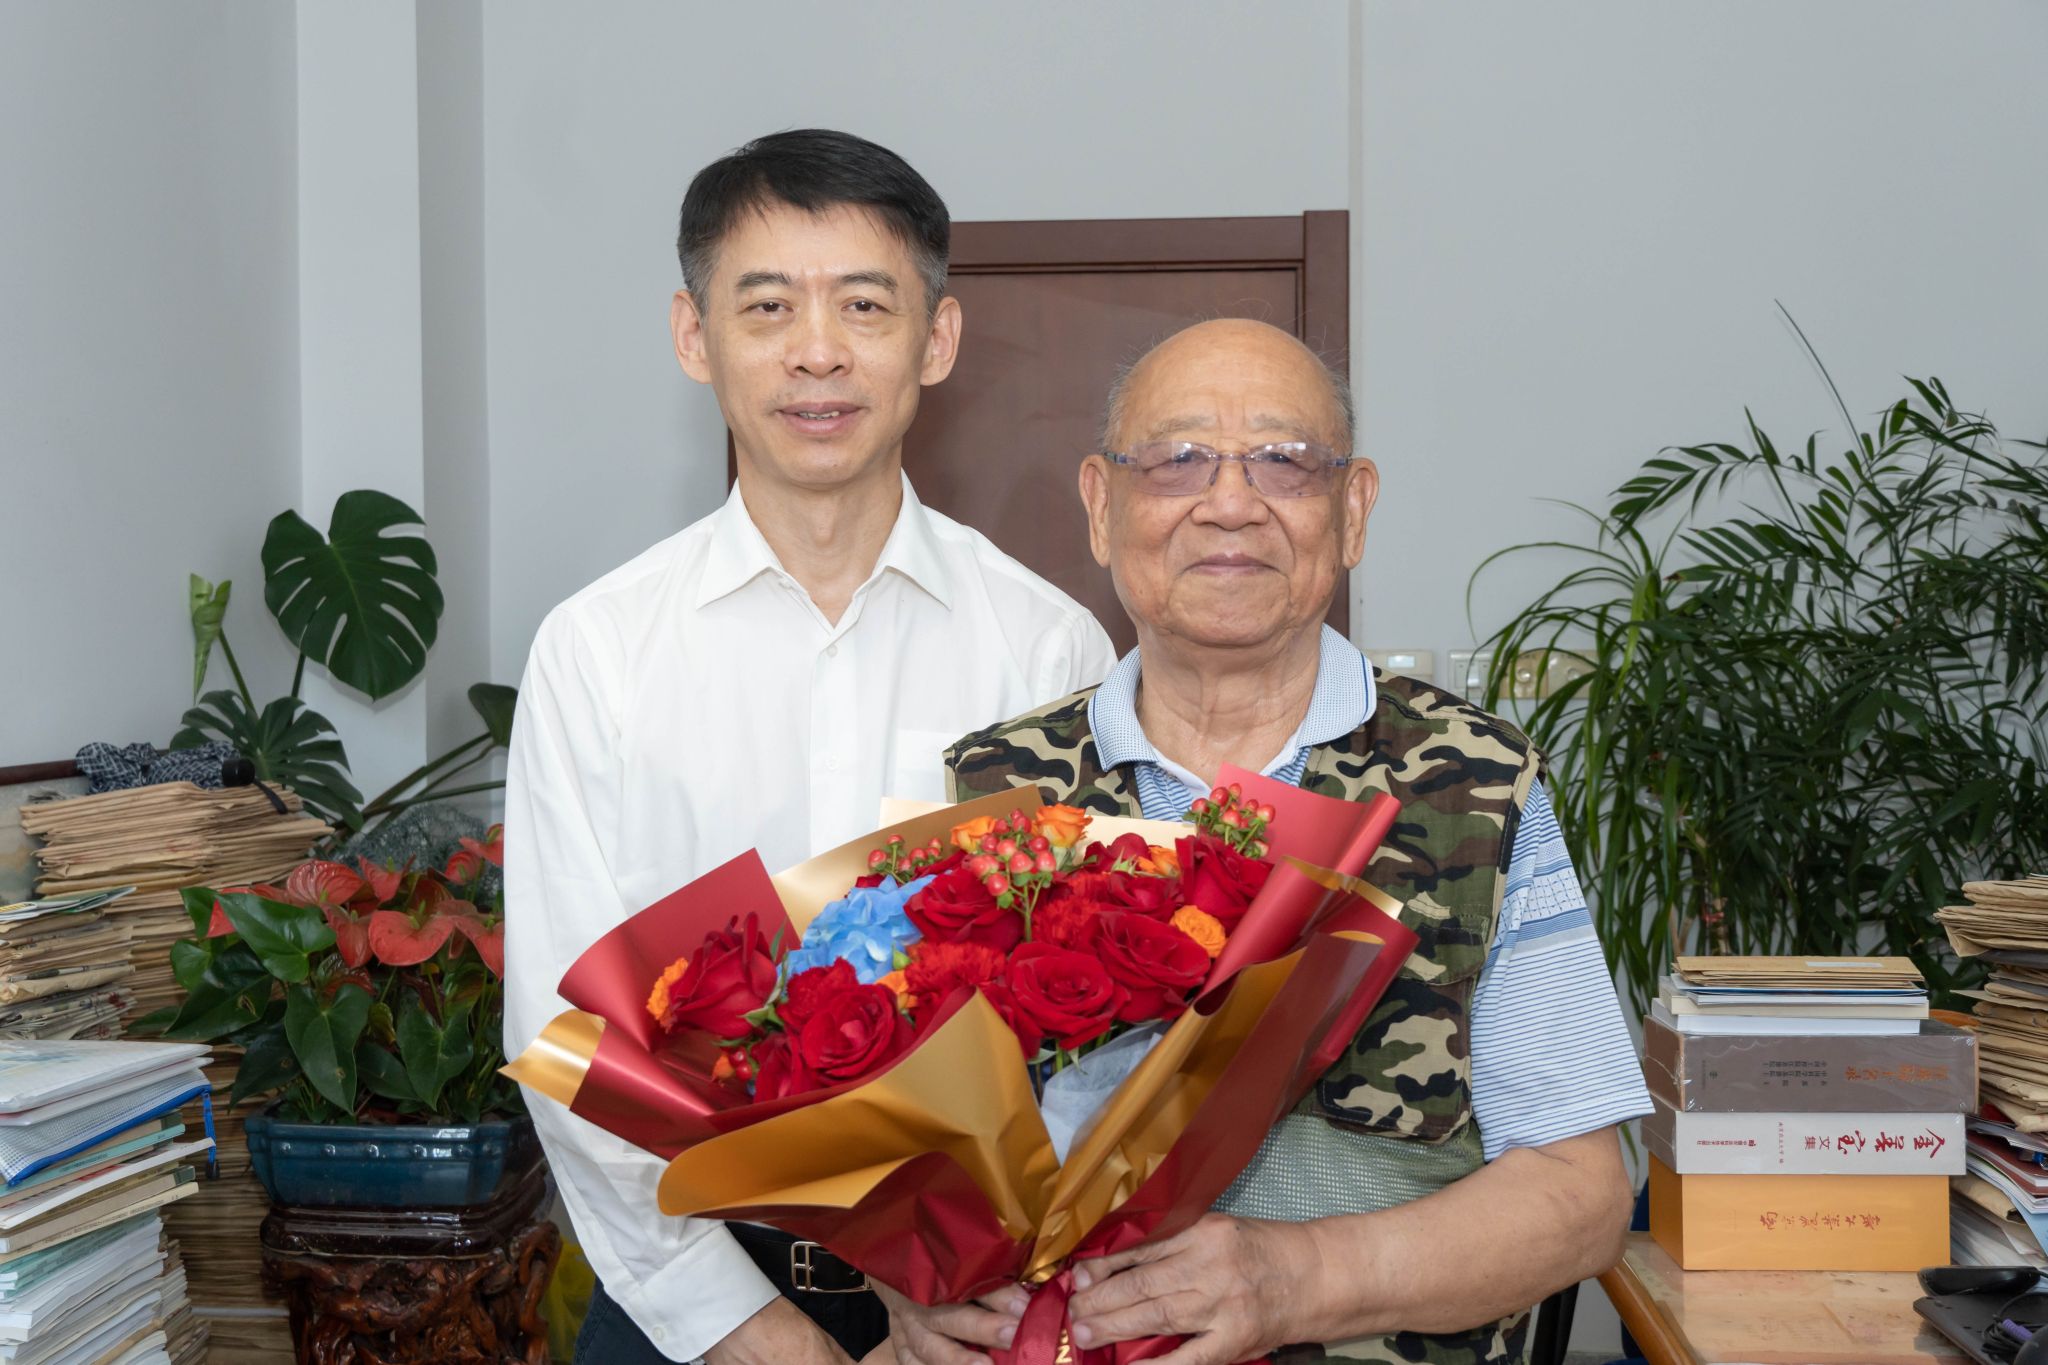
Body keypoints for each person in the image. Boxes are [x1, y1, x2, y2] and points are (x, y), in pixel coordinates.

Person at [883, 318, 1649, 1365]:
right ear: (1101, 507)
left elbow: (1581, 1194)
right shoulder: (994, 792)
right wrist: (911, 1285)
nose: (1230, 502)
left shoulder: (1477, 782)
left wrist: (1298, 1280)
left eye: (1284, 460)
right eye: (1177, 459)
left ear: (1353, 509)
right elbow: (908, 1155)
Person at [503, 129, 1116, 1365]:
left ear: (936, 339)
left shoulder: (1047, 647)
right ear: (694, 336)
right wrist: (755, 1335)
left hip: (968, 1313)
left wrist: (957, 1284)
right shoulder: (598, 651)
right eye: (768, 305)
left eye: (865, 305)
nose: (817, 351)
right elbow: (566, 1039)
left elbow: (1088, 1026)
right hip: (681, 1313)